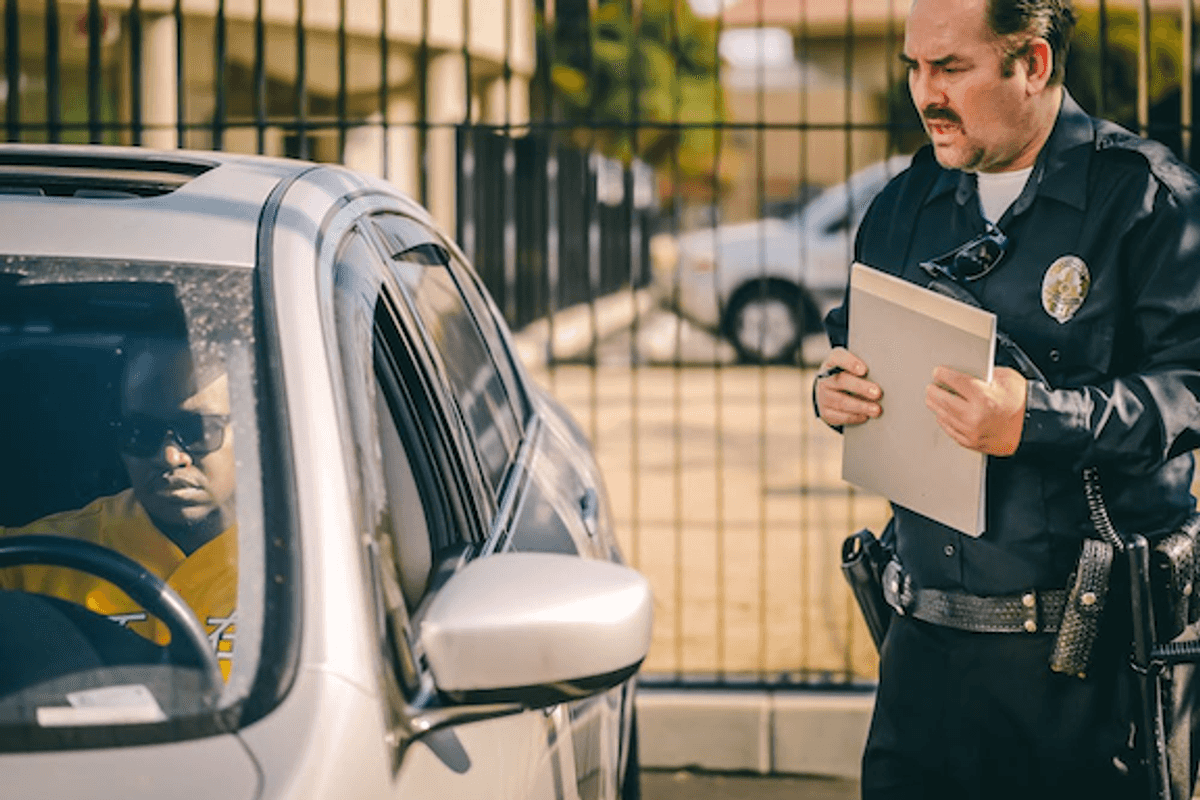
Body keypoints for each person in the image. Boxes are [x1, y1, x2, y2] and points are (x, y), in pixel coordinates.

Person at [814, 0, 1200, 797]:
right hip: (922, 656)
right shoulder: (900, 207)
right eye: (914, 68)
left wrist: (1036, 421)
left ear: (1034, 64)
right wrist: (835, 393)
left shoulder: (1147, 200)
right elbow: (850, 343)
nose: (925, 94)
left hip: (1090, 668)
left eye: (951, 68)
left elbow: (1189, 388)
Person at [0, 339, 238, 679]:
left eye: (197, 430)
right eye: (141, 433)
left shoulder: (317, 566)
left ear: (253, 429)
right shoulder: (23, 564)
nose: (169, 456)